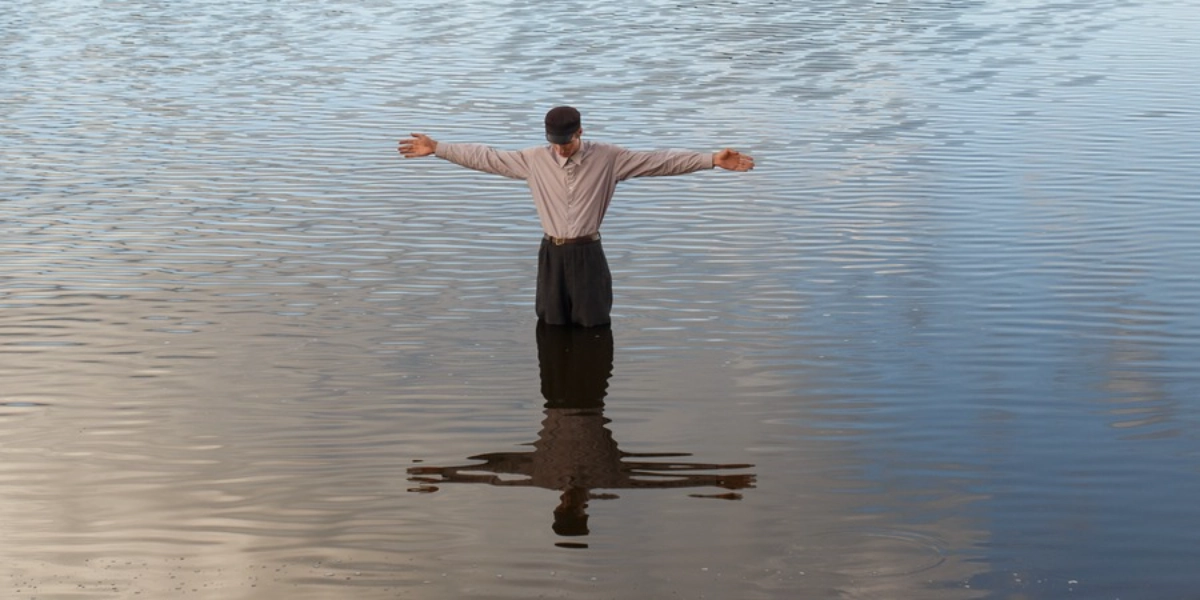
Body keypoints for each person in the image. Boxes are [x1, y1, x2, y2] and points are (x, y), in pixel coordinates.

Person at [398, 106, 755, 327]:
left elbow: (660, 161)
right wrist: (439, 148)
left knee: (594, 325)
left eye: (566, 142)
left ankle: (590, 402)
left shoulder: (609, 158)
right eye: (554, 141)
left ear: (580, 132)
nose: (560, 148)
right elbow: (487, 157)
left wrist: (710, 159)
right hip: (551, 254)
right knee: (550, 324)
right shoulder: (533, 160)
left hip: (587, 254)